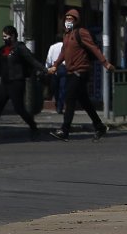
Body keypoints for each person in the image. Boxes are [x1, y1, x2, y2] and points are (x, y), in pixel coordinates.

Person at [47, 9, 115, 141]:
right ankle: (99, 126)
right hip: (70, 71)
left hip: (80, 71)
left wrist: (105, 63)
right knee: (85, 102)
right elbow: (63, 52)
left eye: (71, 19)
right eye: (66, 19)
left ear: (76, 21)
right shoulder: (67, 35)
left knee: (70, 99)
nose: (68, 21)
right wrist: (55, 65)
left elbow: (94, 48)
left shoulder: (81, 32)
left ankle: (65, 130)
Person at [0, 25, 45, 142]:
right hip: (5, 83)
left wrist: (44, 69)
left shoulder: (20, 48)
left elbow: (31, 60)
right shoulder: (3, 49)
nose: (4, 39)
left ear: (13, 36)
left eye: (6, 36)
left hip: (16, 83)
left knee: (19, 109)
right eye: (3, 36)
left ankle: (34, 128)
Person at [44, 40, 67, 114]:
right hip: (64, 67)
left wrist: (47, 69)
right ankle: (60, 106)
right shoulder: (66, 46)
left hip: (54, 68)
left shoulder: (52, 47)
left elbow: (49, 58)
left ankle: (57, 103)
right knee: (62, 88)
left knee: (55, 88)